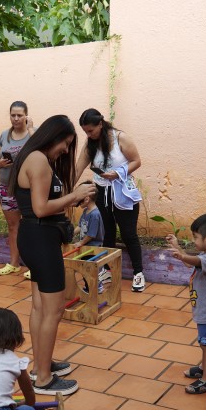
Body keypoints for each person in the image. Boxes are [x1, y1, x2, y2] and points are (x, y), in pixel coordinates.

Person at [9, 115, 95, 395]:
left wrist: (71, 197)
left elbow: (43, 205)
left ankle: (40, 366)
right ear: (53, 136)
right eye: (66, 143)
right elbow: (41, 208)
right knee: (54, 309)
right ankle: (44, 378)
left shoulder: (33, 158)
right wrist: (74, 196)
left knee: (39, 307)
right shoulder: (38, 160)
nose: (65, 150)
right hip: (41, 240)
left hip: (35, 239)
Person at [77, 109, 146, 292]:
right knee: (106, 233)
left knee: (128, 233)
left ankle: (138, 273)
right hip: (101, 192)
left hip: (122, 191)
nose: (88, 135)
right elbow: (77, 169)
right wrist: (68, 191)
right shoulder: (90, 144)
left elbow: (136, 161)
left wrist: (117, 173)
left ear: (100, 124)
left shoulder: (120, 138)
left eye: (91, 130)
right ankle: (106, 271)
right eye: (85, 131)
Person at [166, 213, 206, 394]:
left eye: (195, 237)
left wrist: (181, 256)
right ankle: (204, 369)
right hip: (204, 309)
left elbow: (194, 261)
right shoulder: (204, 255)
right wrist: (178, 249)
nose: (193, 240)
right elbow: (191, 263)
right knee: (203, 342)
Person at [0, 101, 33, 276]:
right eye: (13, 115)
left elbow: (42, 151)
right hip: (7, 187)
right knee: (13, 226)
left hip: (28, 188)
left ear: (26, 115)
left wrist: (31, 128)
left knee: (31, 225)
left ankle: (34, 266)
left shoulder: (32, 133)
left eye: (20, 115)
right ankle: (14, 263)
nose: (16, 119)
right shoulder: (4, 135)